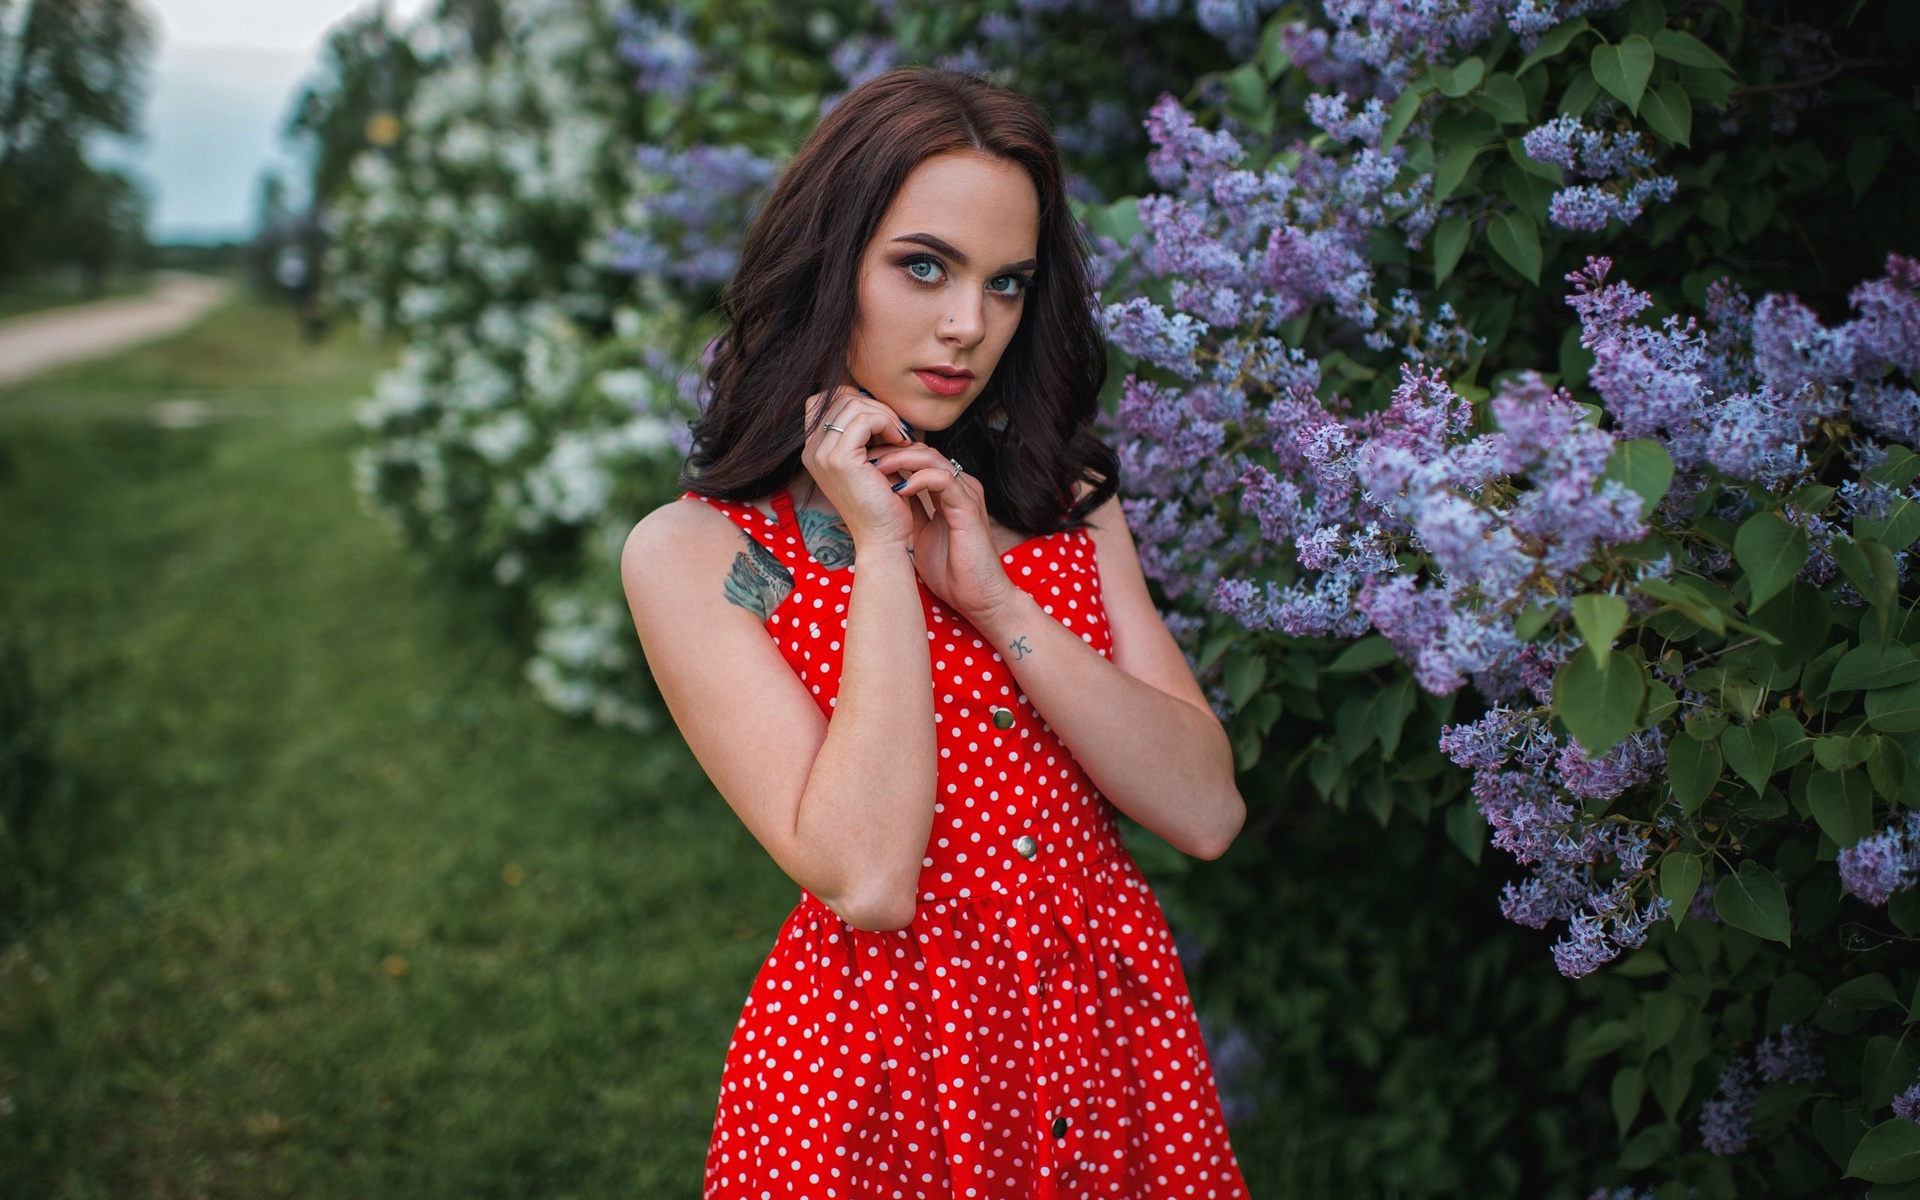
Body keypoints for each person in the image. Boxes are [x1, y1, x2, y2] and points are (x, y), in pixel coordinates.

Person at [620, 67, 1250, 1200]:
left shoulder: (1066, 500)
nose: (969, 326)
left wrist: (1000, 602)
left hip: (1111, 1036)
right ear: (831, 263)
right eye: (924, 267)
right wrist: (879, 554)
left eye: (1006, 284)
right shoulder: (700, 556)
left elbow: (1204, 810)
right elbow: (867, 879)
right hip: (885, 1068)